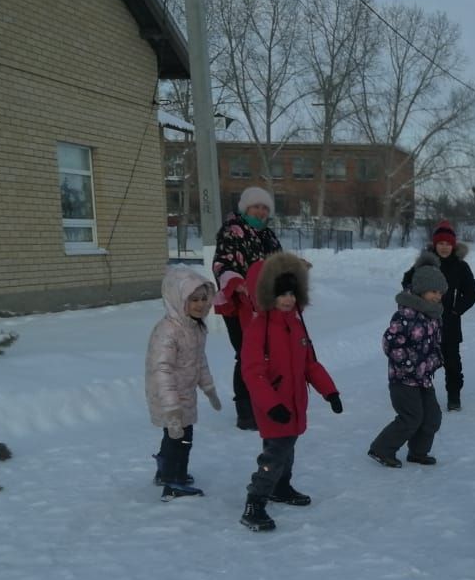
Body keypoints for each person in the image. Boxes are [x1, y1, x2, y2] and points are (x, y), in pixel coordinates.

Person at [238, 253, 341, 532]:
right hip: (273, 404)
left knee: (287, 450)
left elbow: (310, 364)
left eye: (292, 293)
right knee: (275, 454)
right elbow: (252, 372)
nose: (288, 299)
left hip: (294, 403)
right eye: (282, 293)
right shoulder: (259, 328)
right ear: (268, 293)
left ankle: (281, 487)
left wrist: (330, 392)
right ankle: (255, 501)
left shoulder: (296, 324)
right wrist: (270, 404)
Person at [145, 265, 221, 500]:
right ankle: (173, 481)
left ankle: (165, 469)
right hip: (169, 398)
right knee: (181, 440)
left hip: (185, 395)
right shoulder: (168, 331)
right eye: (193, 300)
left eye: (203, 299)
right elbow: (161, 369)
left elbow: (199, 361)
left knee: (177, 438)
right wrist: (172, 408)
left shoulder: (195, 327)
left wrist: (208, 388)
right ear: (178, 300)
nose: (200, 305)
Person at [213, 185, 282, 431]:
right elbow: (222, 263)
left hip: (266, 305)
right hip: (239, 305)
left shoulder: (269, 235)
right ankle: (245, 410)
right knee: (246, 355)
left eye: (265, 207)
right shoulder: (232, 231)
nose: (261, 211)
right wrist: (237, 283)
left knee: (268, 355)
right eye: (256, 206)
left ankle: (265, 401)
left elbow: (278, 264)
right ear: (245, 207)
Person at [368, 253, 446, 468]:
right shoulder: (406, 315)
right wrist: (408, 365)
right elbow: (390, 343)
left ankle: (418, 452)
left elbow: (434, 343)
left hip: (424, 377)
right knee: (411, 417)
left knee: (432, 417)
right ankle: (381, 448)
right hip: (403, 379)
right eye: (433, 291)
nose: (437, 296)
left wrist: (438, 359)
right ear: (421, 290)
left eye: (440, 292)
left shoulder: (434, 315)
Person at [403, 221, 475, 412]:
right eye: (441, 243)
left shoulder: (460, 267)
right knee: (422, 361)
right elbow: (407, 283)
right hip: (424, 323)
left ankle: (454, 397)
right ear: (435, 244)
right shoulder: (425, 264)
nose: (444, 247)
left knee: (452, 363)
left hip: (449, 324)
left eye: (448, 243)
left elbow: (471, 293)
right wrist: (418, 305)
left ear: (453, 245)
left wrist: (455, 310)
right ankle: (421, 396)